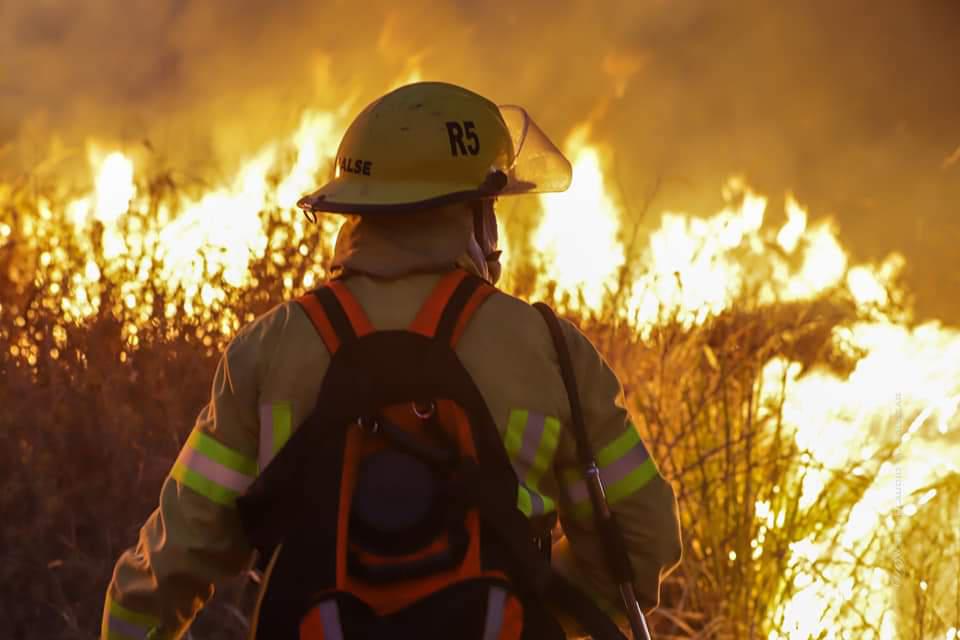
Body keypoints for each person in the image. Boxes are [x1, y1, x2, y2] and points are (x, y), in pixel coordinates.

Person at [101, 81, 682, 640]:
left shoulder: (268, 348)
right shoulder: (548, 349)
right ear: (476, 215)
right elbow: (641, 541)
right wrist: (526, 604)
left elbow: (165, 572)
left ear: (356, 211)